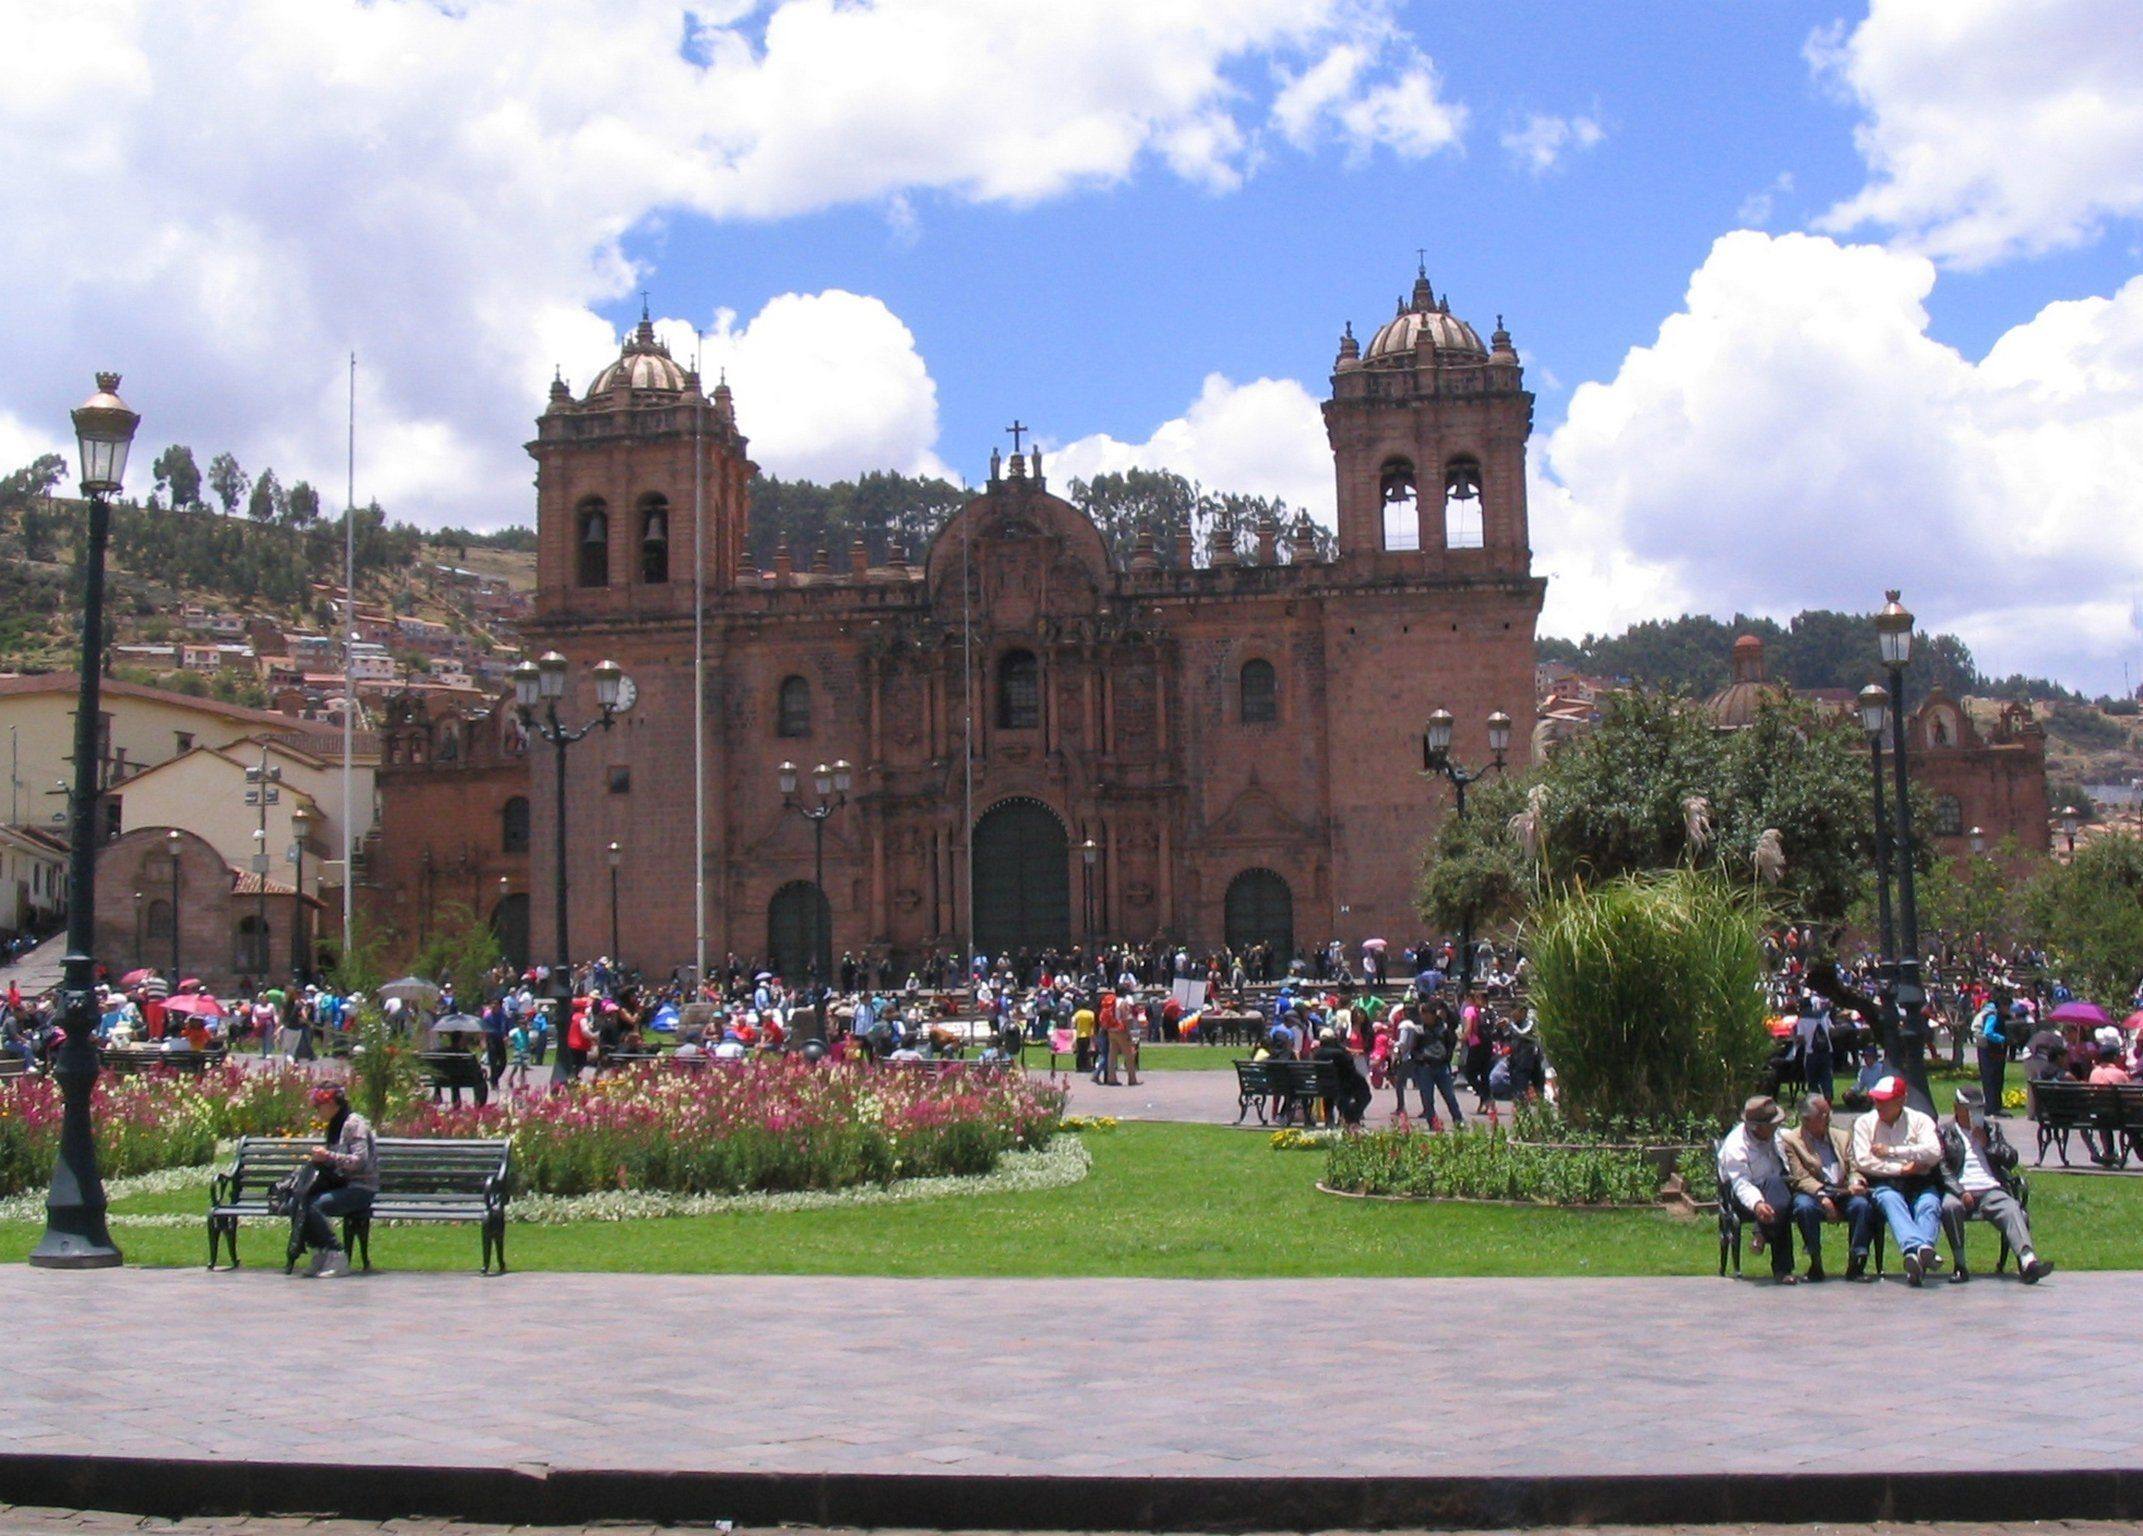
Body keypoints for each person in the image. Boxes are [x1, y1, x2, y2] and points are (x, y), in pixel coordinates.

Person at [1938, 1086, 2052, 1284]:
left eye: (1979, 1109)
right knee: (1949, 1207)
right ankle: (1960, 1265)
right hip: (1959, 1189)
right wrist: (1960, 1191)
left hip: (1990, 1187)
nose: (1975, 1114)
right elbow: (1943, 1170)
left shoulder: (1991, 1129)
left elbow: (2011, 1159)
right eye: (1969, 1108)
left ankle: (2028, 1261)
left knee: (2011, 1207)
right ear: (1956, 1108)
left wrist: (1988, 1145)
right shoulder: (1945, 1132)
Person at [1851, 1074, 1945, 1286]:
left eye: (1884, 1100)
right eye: (1876, 1099)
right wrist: (1901, 1168)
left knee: (1930, 1204)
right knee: (1891, 1201)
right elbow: (1864, 1161)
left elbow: (1933, 1152)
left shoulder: (1920, 1120)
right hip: (1885, 1184)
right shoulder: (1865, 1123)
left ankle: (1915, 1257)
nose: (1878, 1105)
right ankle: (1918, 1247)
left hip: (1920, 1183)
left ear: (1901, 1100)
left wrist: (1892, 1151)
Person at [1777, 1095, 1875, 1282]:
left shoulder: (1842, 1136)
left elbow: (1853, 1167)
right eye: (1823, 1114)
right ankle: (1815, 1262)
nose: (1828, 1117)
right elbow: (1800, 1177)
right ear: (1806, 1120)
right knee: (1804, 1207)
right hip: (1812, 1192)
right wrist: (1823, 1197)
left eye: (1828, 1112)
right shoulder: (1791, 1140)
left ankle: (1856, 1263)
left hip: (1843, 1190)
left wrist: (1856, 1181)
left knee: (1861, 1206)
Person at [291, 1084, 377, 1279]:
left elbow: (359, 1161)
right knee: (298, 1202)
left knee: (315, 1206)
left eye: (318, 1106)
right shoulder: (335, 1125)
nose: (316, 1111)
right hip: (341, 1184)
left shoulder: (353, 1124)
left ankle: (336, 1254)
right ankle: (321, 1251)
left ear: (330, 1103)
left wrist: (328, 1156)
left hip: (361, 1188)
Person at [1717, 1095, 1797, 1284]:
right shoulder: (1736, 1146)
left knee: (1779, 1189)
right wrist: (1758, 1204)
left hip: (1776, 1190)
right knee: (1779, 1196)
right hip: (1743, 1196)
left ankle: (1761, 1231)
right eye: (1772, 1124)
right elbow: (1740, 1184)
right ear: (1756, 1127)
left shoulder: (1775, 1135)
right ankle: (1782, 1269)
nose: (1777, 1127)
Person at [1975, 996, 2008, 1116]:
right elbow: (1988, 1032)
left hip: (1988, 1051)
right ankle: (1992, 1107)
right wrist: (2003, 1039)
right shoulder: (1992, 1015)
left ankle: (1994, 1107)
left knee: (1993, 1079)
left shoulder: (1991, 1013)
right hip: (1990, 1051)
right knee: (1992, 1079)